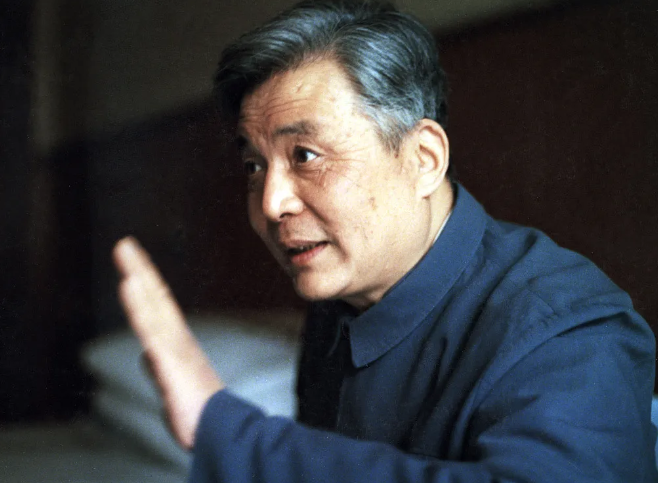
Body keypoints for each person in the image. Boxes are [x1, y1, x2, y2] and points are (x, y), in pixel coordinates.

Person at [112, 0, 658, 482]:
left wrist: (227, 429)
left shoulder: (567, 328)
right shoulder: (339, 304)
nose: (271, 203)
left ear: (423, 159)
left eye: (305, 155)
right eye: (254, 166)